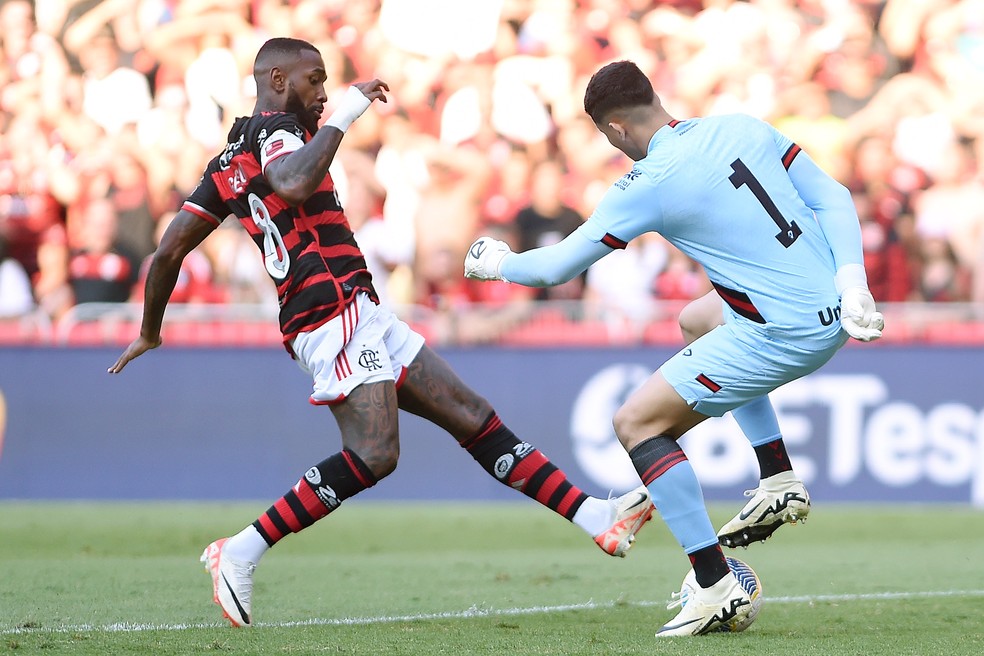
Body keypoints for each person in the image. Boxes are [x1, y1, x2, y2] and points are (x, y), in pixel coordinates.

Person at [107, 38, 654, 628]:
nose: (321, 92)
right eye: (313, 79)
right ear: (277, 79)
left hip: (358, 310)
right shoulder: (279, 136)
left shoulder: (225, 164)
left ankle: (594, 518)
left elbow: (167, 253)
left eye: (326, 83)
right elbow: (289, 183)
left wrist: (150, 329)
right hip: (328, 317)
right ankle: (240, 550)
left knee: (471, 414)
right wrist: (344, 113)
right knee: (375, 453)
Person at [465, 60, 884, 637]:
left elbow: (557, 266)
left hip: (784, 330)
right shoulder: (741, 126)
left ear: (614, 129)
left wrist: (497, 264)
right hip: (836, 304)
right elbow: (833, 197)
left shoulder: (651, 181)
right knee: (696, 320)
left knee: (636, 423)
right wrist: (853, 282)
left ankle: (715, 584)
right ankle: (778, 478)